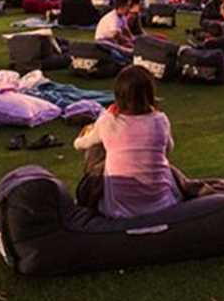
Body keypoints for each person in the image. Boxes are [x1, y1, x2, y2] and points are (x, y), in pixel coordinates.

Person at [73, 66, 181, 218]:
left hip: (118, 210)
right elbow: (168, 149)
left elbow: (81, 144)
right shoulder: (160, 120)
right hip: (163, 203)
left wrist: (80, 138)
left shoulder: (108, 121)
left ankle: (85, 198)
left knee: (96, 147)